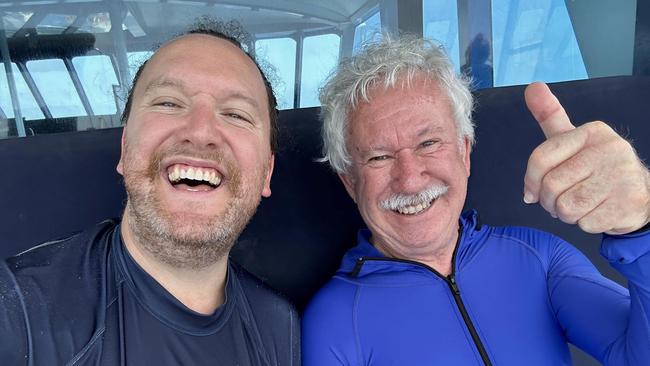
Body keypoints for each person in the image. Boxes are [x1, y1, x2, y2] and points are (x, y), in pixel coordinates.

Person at [302, 34, 650, 365]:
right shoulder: (333, 321)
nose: (409, 180)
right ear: (350, 183)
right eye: (378, 157)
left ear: (464, 153)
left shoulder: (538, 259)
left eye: (428, 143)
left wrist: (641, 228)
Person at [0, 22, 299, 365]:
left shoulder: (279, 326)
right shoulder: (19, 310)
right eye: (169, 103)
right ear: (125, 149)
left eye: (235, 114)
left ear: (267, 171)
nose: (200, 132)